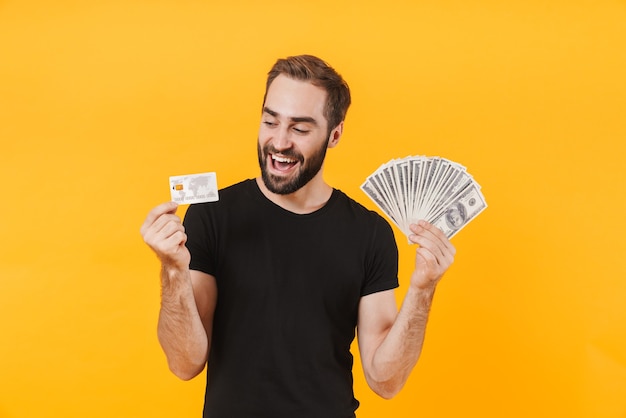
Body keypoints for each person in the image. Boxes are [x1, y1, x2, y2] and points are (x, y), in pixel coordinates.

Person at [140, 54, 456, 418]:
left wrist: (423, 290)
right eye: (270, 121)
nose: (279, 142)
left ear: (334, 134)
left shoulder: (370, 234)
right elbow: (184, 363)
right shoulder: (213, 216)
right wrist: (173, 271)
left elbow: (385, 381)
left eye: (300, 129)